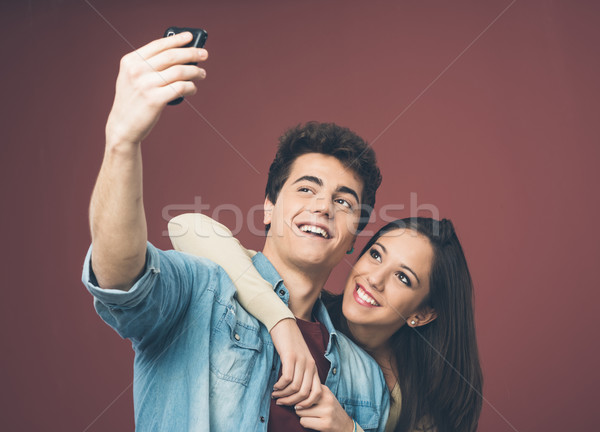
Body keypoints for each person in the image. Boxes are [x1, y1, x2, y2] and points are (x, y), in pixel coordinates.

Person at [82, 32, 389, 431]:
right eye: (306, 188)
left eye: (344, 201)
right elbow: (121, 278)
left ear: (353, 239)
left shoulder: (365, 379)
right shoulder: (201, 291)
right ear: (268, 207)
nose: (323, 206)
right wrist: (122, 143)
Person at [170, 215, 483, 432]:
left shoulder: (425, 397)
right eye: (375, 255)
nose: (374, 278)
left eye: (403, 278)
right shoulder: (304, 310)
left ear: (423, 314)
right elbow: (186, 227)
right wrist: (283, 323)